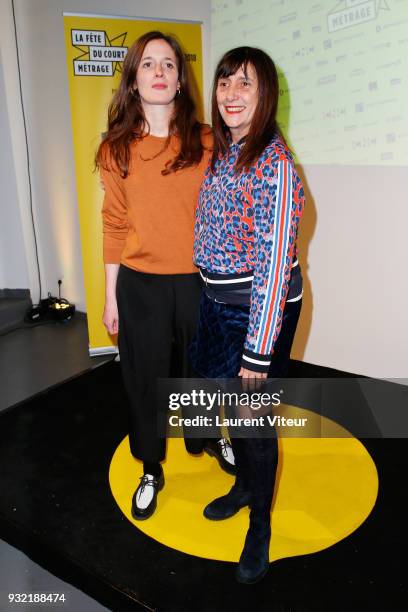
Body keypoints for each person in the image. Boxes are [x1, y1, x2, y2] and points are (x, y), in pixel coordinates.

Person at [96, 31, 235, 521]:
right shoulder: (115, 149)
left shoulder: (207, 140)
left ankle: (203, 438)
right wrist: (111, 297)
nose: (159, 72)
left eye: (169, 64)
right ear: (134, 79)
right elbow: (113, 224)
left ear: (180, 79)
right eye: (149, 64)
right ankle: (151, 466)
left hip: (201, 282)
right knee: (145, 378)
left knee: (201, 371)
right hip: (141, 285)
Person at [191, 46, 305, 583]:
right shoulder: (224, 150)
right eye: (224, 83)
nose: (231, 95)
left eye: (245, 84)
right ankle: (242, 488)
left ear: (265, 96)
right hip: (218, 304)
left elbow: (276, 267)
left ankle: (259, 524)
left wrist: (258, 350)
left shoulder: (275, 165)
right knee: (225, 407)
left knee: (254, 426)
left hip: (259, 313)